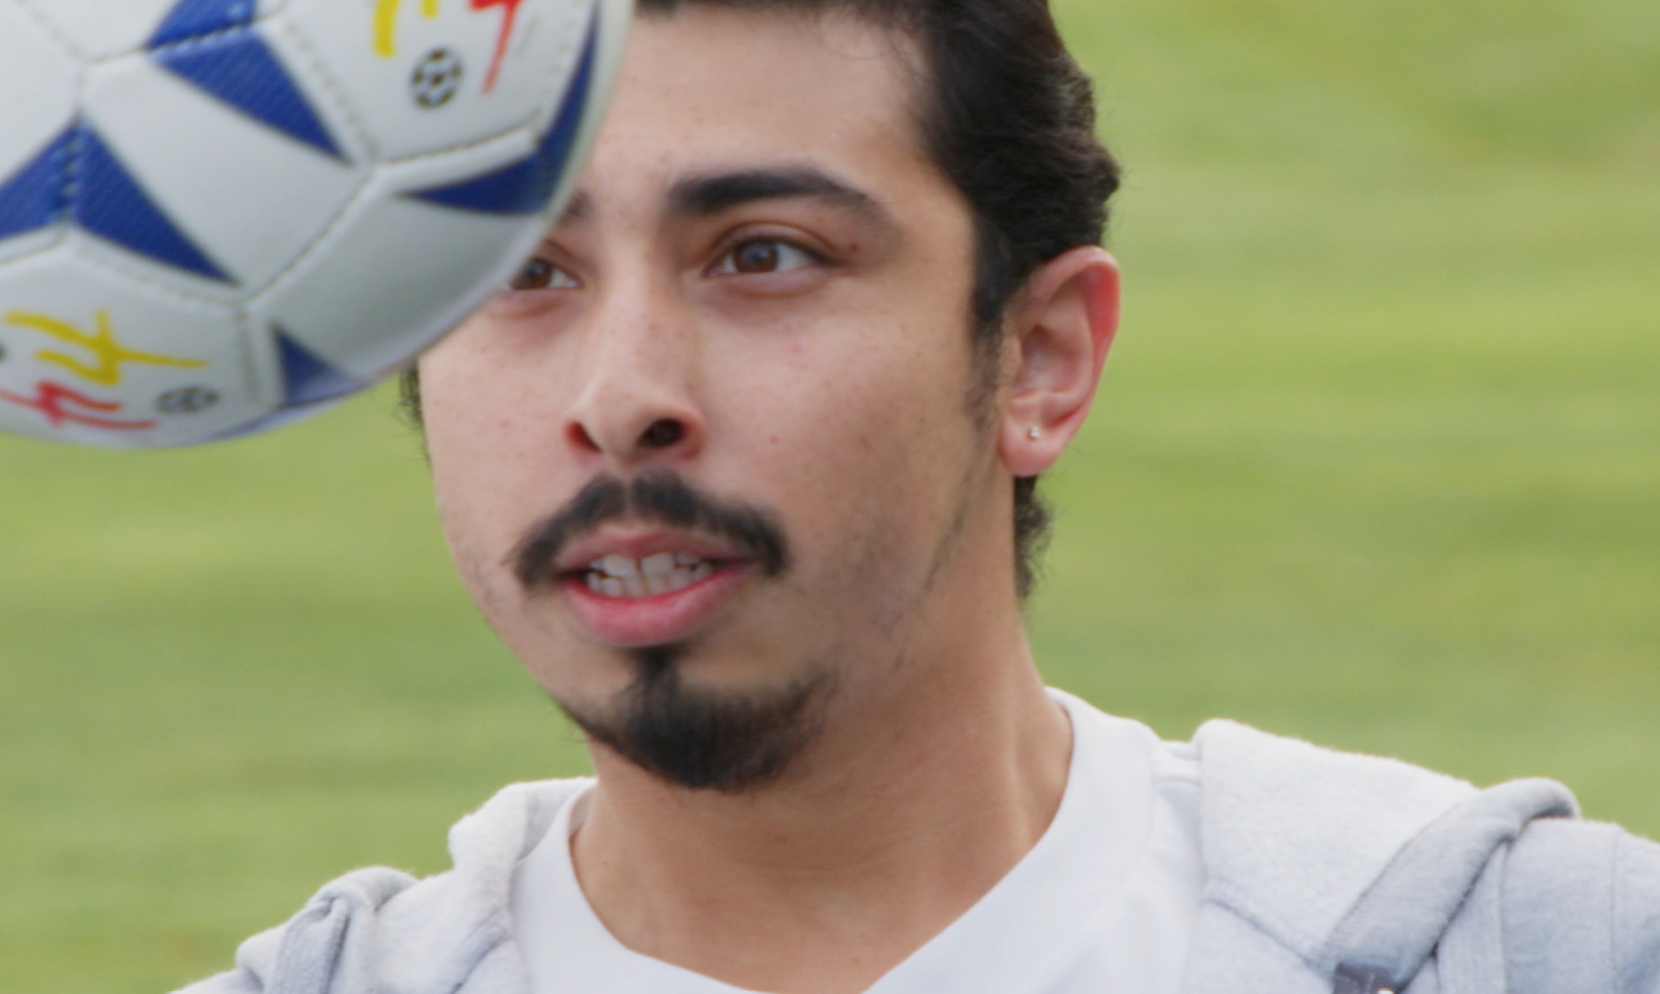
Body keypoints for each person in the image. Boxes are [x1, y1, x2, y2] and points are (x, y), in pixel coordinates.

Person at [178, 1, 1660, 992]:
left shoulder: (1539, 952)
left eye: (764, 254)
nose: (621, 392)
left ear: (1039, 356)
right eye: (521, 278)